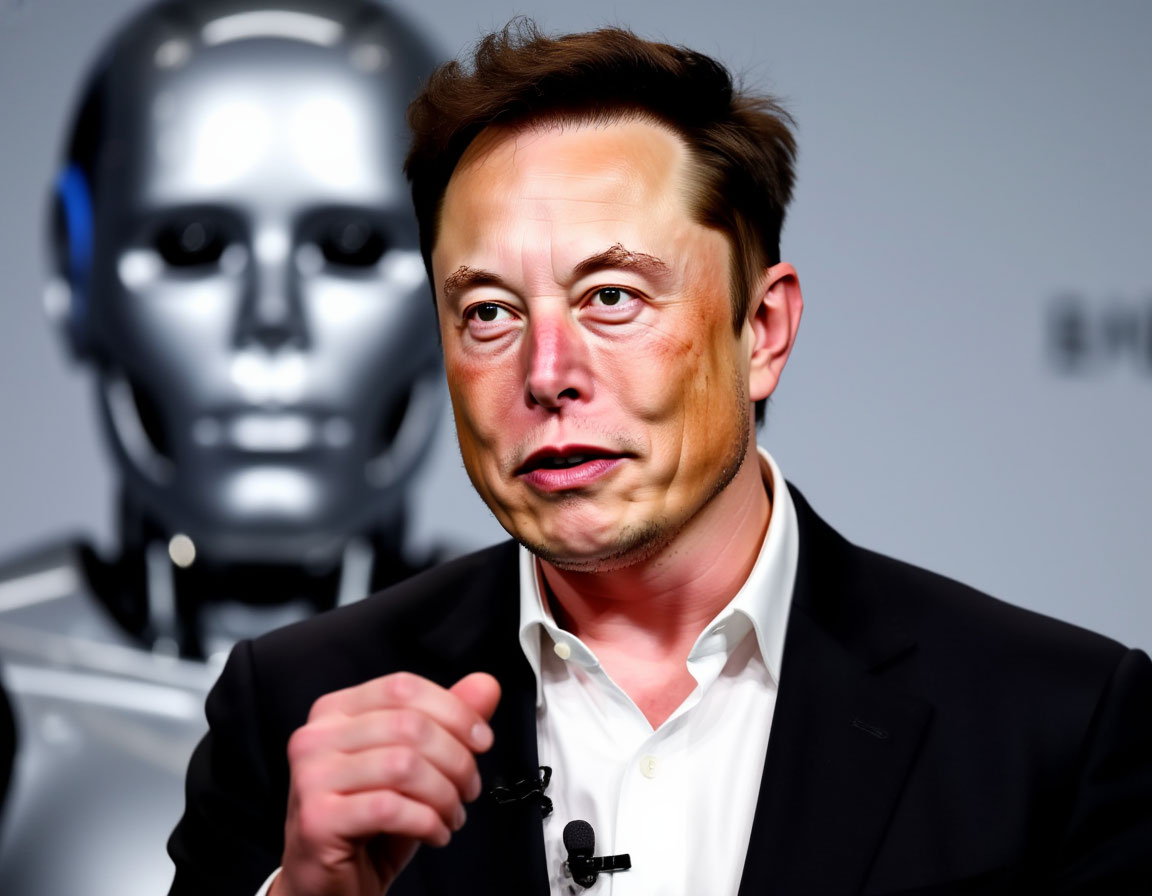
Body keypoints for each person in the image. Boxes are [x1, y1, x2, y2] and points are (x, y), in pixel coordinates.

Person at [167, 21, 1152, 896]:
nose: (546, 374)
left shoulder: (1057, 724)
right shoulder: (293, 708)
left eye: (612, 297)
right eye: (490, 312)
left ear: (761, 328)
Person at [0, 2, 447, 893]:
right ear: (73, 268)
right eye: (194, 244)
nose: (271, 321)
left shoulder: (563, 674)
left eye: (351, 245)